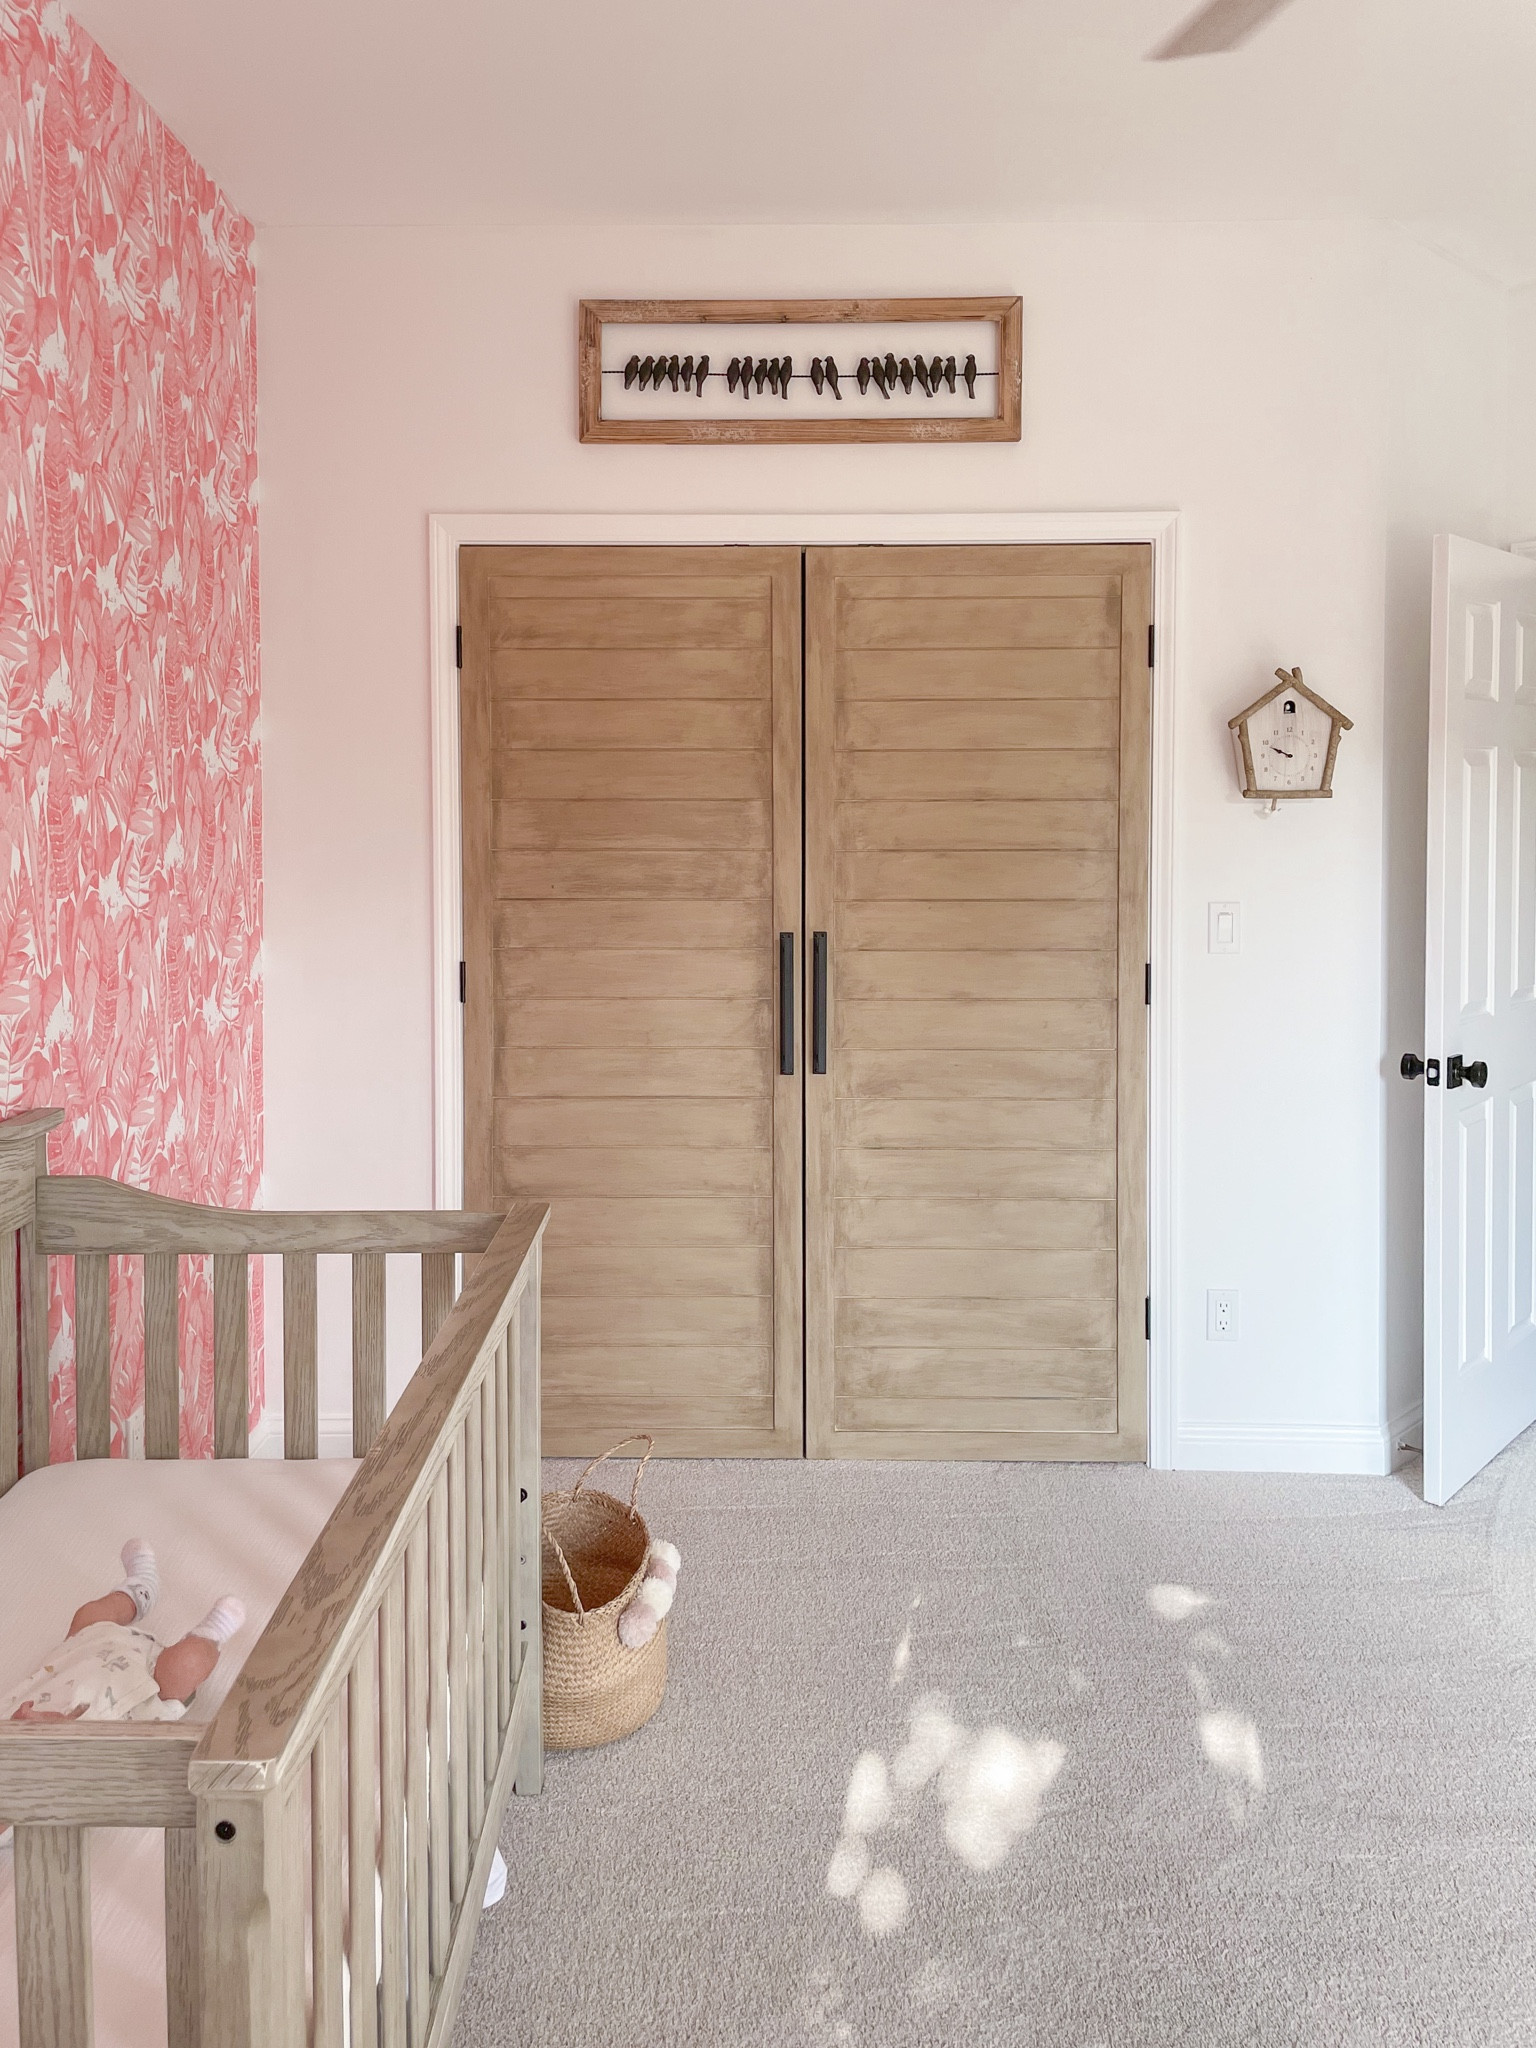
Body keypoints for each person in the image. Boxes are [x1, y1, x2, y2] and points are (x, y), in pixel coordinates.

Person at [0, 1539, 245, 1724]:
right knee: (187, 1663)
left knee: (88, 1616)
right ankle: (210, 1634)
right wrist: (39, 1729)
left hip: (76, 1657)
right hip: (144, 1691)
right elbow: (73, 1745)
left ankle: (139, 1590)